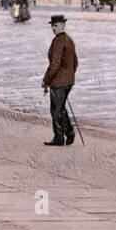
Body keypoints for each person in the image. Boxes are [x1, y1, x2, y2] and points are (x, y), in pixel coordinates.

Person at [41, 15, 78, 147]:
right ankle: (69, 133)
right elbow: (75, 62)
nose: (53, 28)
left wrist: (46, 80)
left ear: (63, 25)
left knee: (56, 110)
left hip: (58, 82)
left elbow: (54, 64)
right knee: (61, 108)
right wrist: (69, 75)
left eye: (56, 25)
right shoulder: (69, 40)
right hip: (69, 81)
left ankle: (59, 137)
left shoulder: (57, 41)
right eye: (52, 25)